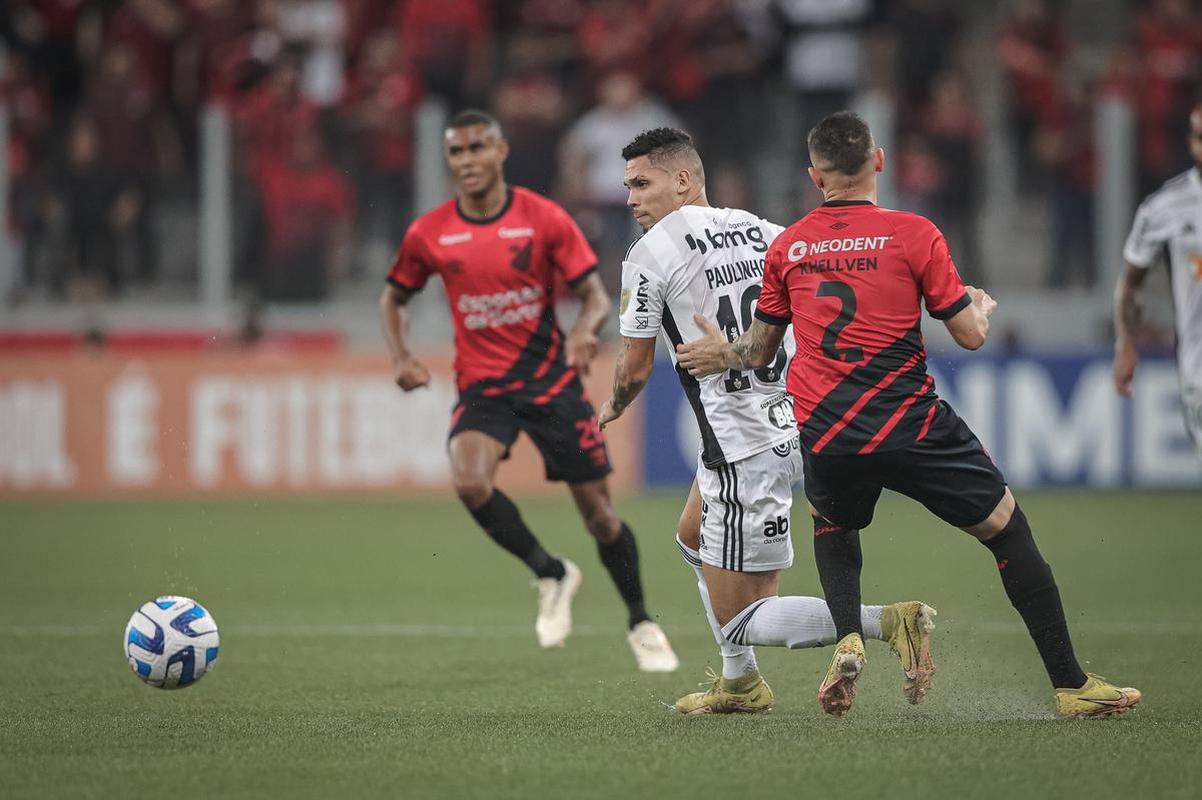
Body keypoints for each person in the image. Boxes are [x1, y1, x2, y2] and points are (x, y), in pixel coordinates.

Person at [676, 111, 1141, 718]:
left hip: (828, 430)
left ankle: (849, 638)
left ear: (815, 176)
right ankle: (1072, 685)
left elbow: (760, 352)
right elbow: (969, 336)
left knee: (833, 524)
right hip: (911, 423)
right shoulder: (913, 233)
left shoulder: (789, 245)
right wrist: (978, 305)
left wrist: (720, 353)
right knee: (1007, 531)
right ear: (878, 160)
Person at [599, 127, 935, 713]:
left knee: (743, 616)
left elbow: (634, 366)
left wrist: (615, 404)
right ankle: (740, 681)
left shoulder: (650, 252)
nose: (630, 199)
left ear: (683, 179)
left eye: (641, 183)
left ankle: (887, 622)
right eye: (628, 186)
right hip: (797, 419)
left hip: (741, 442)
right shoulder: (767, 231)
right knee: (691, 536)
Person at [378, 110, 677, 672]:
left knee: (600, 517)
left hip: (551, 383)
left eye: (477, 148)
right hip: (483, 388)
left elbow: (595, 296)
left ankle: (640, 622)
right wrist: (401, 356)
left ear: (501, 151)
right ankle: (551, 572)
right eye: (456, 152)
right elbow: (393, 297)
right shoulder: (430, 232)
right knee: (470, 482)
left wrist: (583, 331)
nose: (467, 160)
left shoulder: (542, 218)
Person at [1114, 102, 1202, 457]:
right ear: (1190, 143)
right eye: (1200, 138)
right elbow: (1130, 282)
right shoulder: (1165, 206)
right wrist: (1126, 344)